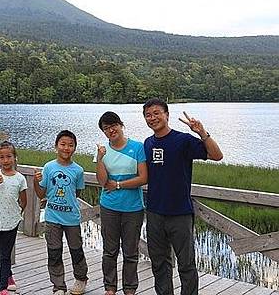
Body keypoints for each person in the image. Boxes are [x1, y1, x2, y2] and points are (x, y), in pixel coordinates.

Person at [142, 99, 223, 295]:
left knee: (186, 265)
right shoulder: (148, 143)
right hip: (154, 212)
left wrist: (202, 133)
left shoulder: (183, 140)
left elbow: (217, 155)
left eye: (156, 113)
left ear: (167, 115)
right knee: (159, 263)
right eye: (148, 115)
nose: (152, 118)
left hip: (180, 213)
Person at [95, 111, 148, 295]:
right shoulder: (103, 151)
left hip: (133, 208)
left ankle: (130, 288)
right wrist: (100, 158)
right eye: (106, 128)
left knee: (130, 252)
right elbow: (102, 181)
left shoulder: (137, 147)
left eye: (113, 126)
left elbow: (143, 178)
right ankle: (110, 288)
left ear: (121, 125)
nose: (111, 130)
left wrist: (118, 185)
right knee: (109, 250)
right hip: (109, 206)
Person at [34, 130, 88, 295]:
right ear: (56, 146)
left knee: (76, 249)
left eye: (70, 145)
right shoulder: (49, 167)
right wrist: (36, 182)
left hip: (71, 218)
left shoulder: (78, 170)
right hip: (52, 217)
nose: (66, 148)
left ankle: (81, 279)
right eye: (63, 144)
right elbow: (41, 194)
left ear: (75, 148)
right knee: (54, 251)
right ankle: (58, 285)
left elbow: (76, 193)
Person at [0, 140, 28, 295]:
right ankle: (9, 277)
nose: (6, 160)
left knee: (5, 255)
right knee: (1, 249)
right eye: (2, 157)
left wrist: (17, 215)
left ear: (15, 157)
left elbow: (24, 201)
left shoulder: (20, 178)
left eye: (9, 156)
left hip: (12, 220)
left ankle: (2, 287)